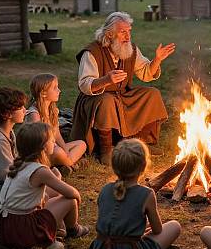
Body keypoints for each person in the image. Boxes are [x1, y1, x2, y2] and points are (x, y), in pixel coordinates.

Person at [70, 12, 174, 164]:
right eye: (122, 32)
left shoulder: (130, 49)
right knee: (107, 101)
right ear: (110, 34)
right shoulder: (92, 52)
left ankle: (141, 145)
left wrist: (157, 60)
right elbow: (84, 84)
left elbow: (146, 73)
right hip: (96, 99)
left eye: (129, 31)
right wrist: (106, 80)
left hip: (122, 96)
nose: (128, 36)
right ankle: (106, 150)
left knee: (152, 94)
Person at [0, 122, 89, 249]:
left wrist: (56, 178)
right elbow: (71, 193)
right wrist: (78, 198)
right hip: (25, 228)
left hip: (6, 226)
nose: (54, 143)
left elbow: (30, 195)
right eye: (52, 141)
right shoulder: (40, 171)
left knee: (49, 198)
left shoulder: (18, 164)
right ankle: (73, 229)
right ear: (44, 147)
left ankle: (57, 232)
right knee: (70, 200)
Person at [87, 138, 182, 249]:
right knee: (174, 226)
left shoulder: (105, 189)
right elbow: (157, 230)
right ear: (143, 167)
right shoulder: (146, 194)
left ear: (114, 166)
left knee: (135, 232)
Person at [25, 73, 86, 175]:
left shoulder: (53, 110)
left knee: (81, 144)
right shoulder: (34, 114)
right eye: (55, 88)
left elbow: (57, 135)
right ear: (43, 93)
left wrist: (65, 150)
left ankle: (64, 164)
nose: (59, 90)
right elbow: (37, 143)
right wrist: (58, 150)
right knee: (58, 152)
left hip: (53, 149)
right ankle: (72, 163)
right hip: (40, 154)